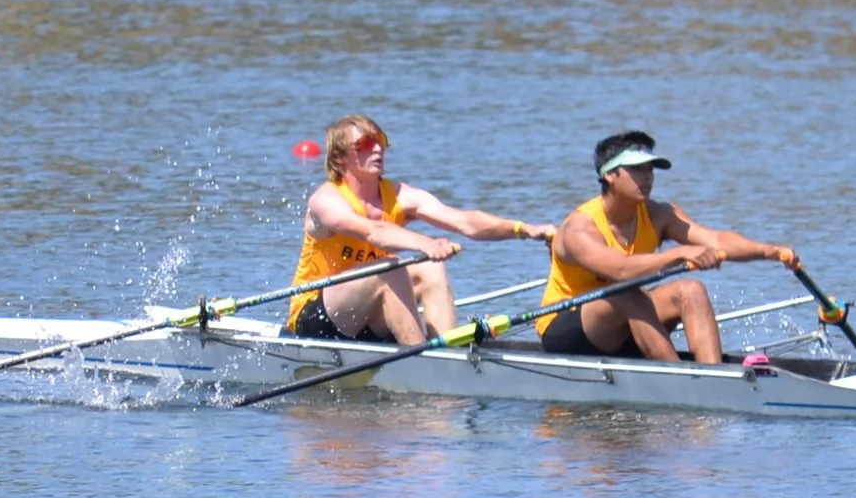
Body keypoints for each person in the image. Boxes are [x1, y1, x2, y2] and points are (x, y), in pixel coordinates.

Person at [286, 114, 552, 344]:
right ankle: (423, 360)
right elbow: (373, 231)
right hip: (316, 318)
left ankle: (448, 352)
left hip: (370, 315)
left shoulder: (401, 195)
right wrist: (424, 243)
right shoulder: (327, 200)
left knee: (430, 266)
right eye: (365, 144)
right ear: (339, 157)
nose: (378, 149)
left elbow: (465, 222)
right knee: (391, 268)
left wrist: (524, 229)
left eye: (381, 140)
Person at [538, 130, 799, 364]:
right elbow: (621, 270)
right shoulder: (579, 229)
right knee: (629, 292)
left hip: (624, 320)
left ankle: (714, 377)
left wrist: (771, 251)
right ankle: (680, 380)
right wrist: (681, 253)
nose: (647, 176)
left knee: (690, 290)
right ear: (609, 175)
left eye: (650, 169)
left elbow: (716, 240)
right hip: (566, 328)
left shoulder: (659, 215)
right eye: (637, 169)